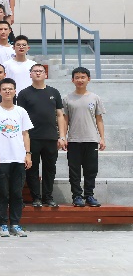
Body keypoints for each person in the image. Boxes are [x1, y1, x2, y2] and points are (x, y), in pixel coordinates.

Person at [0, 79, 34, 237]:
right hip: (1, 158)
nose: (7, 91)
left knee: (17, 193)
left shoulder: (21, 111)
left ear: (15, 91)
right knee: (2, 193)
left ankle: (16, 224)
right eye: (4, 89)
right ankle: (3, 224)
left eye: (10, 89)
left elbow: (25, 133)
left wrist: (28, 154)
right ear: (0, 91)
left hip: (19, 157)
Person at [17, 63, 64, 208]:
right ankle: (36, 198)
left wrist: (62, 136)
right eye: (35, 71)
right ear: (30, 74)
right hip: (32, 138)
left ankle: (48, 197)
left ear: (46, 74)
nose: (38, 73)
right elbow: (20, 117)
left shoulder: (54, 92)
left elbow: (60, 115)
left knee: (50, 168)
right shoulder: (24, 94)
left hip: (51, 137)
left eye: (41, 71)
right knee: (32, 169)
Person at [62, 66, 106, 207]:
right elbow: (65, 120)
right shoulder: (67, 98)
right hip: (74, 140)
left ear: (88, 79)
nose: (80, 80)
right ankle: (76, 196)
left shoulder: (95, 98)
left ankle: (89, 195)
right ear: (72, 80)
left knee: (91, 170)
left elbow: (99, 119)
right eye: (77, 77)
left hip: (91, 139)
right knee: (74, 170)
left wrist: (102, 138)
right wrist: (63, 137)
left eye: (83, 77)